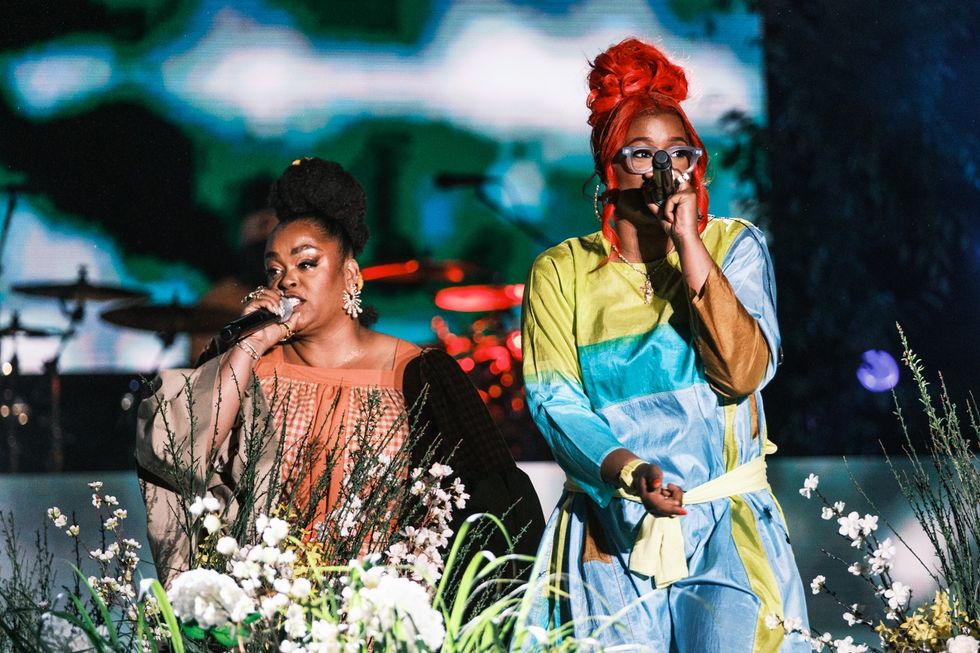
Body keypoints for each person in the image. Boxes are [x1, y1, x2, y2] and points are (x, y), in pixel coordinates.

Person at [521, 39, 809, 651]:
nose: (665, 167)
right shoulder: (562, 271)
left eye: (680, 153)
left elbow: (742, 374)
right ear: (608, 169)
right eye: (643, 153)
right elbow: (555, 404)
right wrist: (632, 472)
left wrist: (688, 242)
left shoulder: (734, 247)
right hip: (611, 529)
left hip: (726, 525)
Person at [137, 157, 543, 586]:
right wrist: (249, 346)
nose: (287, 280)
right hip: (266, 611)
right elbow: (177, 458)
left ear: (351, 274)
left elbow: (499, 510)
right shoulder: (250, 368)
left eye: (306, 263)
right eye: (275, 270)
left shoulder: (418, 373)